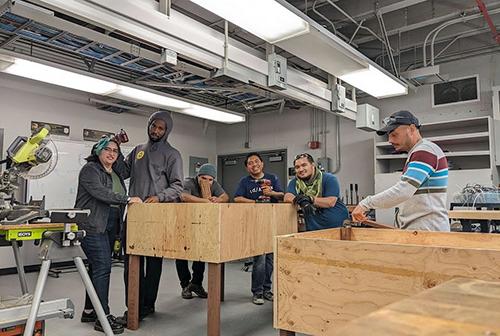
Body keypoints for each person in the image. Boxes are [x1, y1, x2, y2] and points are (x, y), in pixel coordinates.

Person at [115, 110, 184, 323]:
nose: (156, 130)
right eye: (154, 125)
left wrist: (160, 197)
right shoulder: (137, 151)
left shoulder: (173, 155)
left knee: (153, 263)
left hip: (157, 215)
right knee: (131, 261)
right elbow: (121, 172)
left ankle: (147, 305)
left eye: (161, 128)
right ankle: (134, 306)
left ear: (167, 131)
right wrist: (115, 148)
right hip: (134, 213)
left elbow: (178, 186)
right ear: (149, 125)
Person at [75, 136, 142, 334]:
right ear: (98, 151)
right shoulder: (90, 170)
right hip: (93, 224)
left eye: (115, 150)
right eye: (108, 149)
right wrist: (128, 198)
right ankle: (102, 317)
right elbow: (101, 193)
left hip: (112, 224)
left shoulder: (116, 173)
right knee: (103, 267)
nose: (112, 153)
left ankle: (89, 310)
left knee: (96, 267)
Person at [351, 110, 450, 231]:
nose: (390, 140)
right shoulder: (418, 152)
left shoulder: (424, 150)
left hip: (428, 233)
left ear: (412, 129)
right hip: (421, 231)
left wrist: (365, 204)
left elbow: (403, 191)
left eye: (394, 134)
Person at [234, 153, 284, 305]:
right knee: (260, 259)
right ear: (247, 167)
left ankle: (267, 290)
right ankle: (257, 292)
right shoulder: (245, 182)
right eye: (250, 163)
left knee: (270, 259)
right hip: (255, 224)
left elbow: (282, 195)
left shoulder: (272, 178)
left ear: (262, 164)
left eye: (256, 161)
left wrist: (271, 193)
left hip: (272, 223)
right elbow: (237, 198)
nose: (254, 164)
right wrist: (255, 202)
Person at [177, 163, 229, 299]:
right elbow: (184, 196)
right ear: (198, 176)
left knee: (201, 253)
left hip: (201, 224)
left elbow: (225, 196)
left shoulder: (214, 184)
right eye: (203, 178)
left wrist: (218, 199)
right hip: (184, 223)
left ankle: (196, 284)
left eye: (210, 179)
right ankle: (185, 285)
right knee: (181, 254)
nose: (207, 182)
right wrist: (206, 202)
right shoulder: (189, 182)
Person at [284, 153, 348, 231]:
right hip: (313, 227)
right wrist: (301, 201)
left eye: (304, 165)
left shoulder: (329, 178)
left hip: (337, 226)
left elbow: (330, 202)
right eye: (297, 167)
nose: (301, 169)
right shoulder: (295, 182)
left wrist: (310, 199)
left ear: (313, 165)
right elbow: (287, 197)